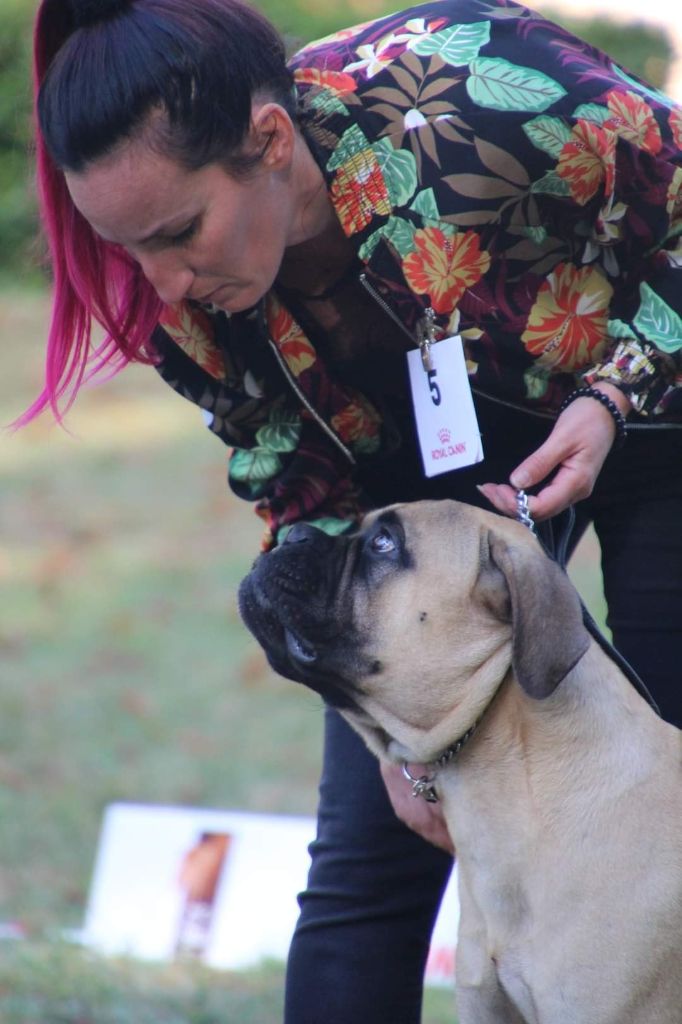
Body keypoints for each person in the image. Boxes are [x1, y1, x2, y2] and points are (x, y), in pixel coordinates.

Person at [30, 0, 682, 1019]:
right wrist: (382, 727)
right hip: (428, 500)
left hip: (655, 409)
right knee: (368, 865)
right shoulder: (180, 305)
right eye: (125, 247)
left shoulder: (477, 103)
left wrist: (615, 392)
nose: (159, 285)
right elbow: (298, 490)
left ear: (270, 142)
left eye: (176, 233)